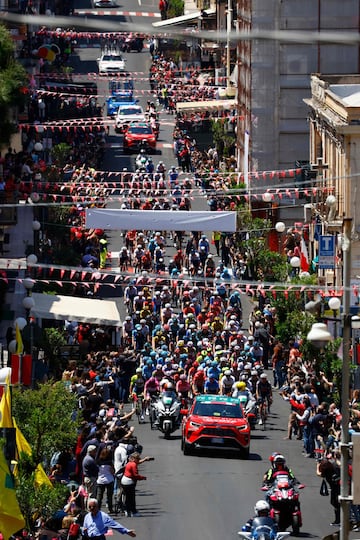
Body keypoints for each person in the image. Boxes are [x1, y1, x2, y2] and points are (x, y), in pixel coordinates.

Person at [120, 452, 151, 517]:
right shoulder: (133, 465)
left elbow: (138, 462)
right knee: (131, 498)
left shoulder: (129, 463)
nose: (139, 459)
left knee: (127, 497)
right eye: (138, 458)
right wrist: (142, 478)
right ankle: (133, 511)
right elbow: (135, 475)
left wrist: (144, 459)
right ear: (134, 458)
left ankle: (127, 510)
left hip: (124, 480)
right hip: (129, 482)